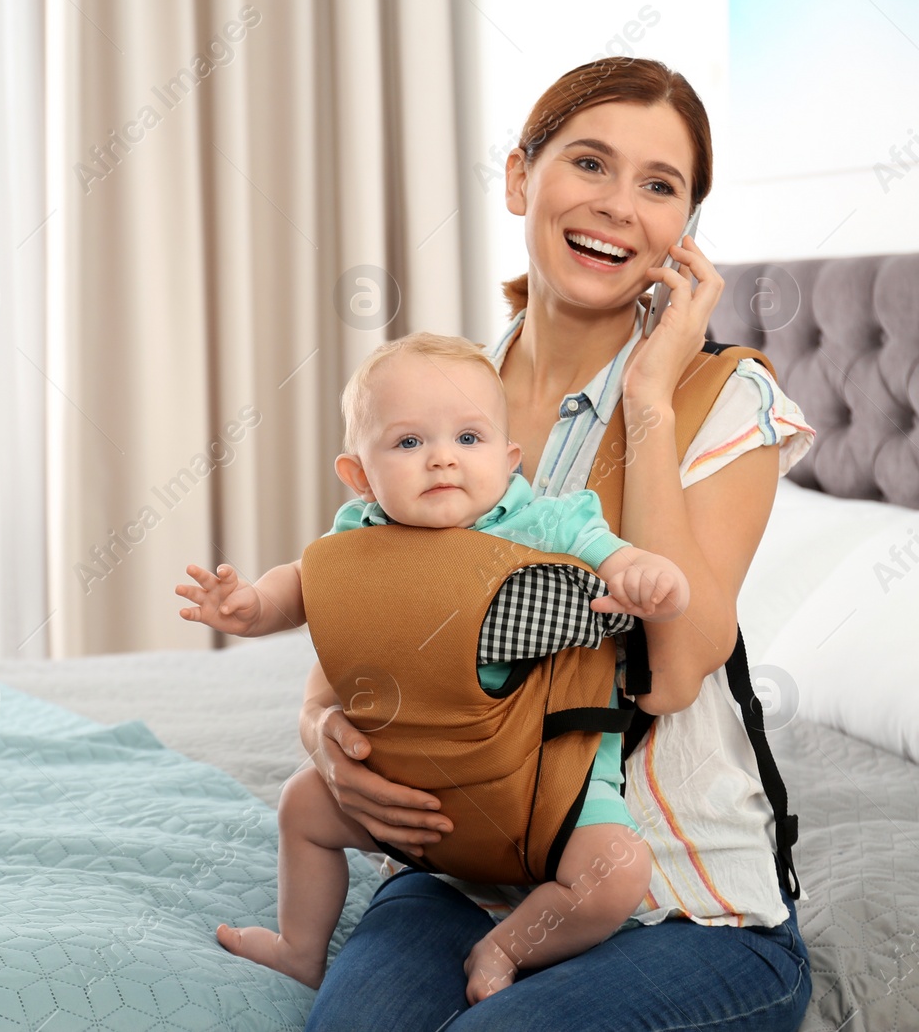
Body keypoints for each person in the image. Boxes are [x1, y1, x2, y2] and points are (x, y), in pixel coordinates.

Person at [292, 57, 817, 1030]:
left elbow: (673, 668)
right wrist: (322, 729)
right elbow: (365, 589)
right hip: (471, 867)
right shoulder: (451, 391)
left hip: (680, 908)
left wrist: (650, 399)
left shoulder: (722, 397)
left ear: (683, 232)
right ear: (518, 179)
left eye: (659, 186)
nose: (620, 206)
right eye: (589, 163)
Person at [174, 331, 692, 1000]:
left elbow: (618, 557)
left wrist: (653, 580)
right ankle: (302, 948)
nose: (442, 458)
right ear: (360, 474)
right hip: (411, 795)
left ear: (509, 460)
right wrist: (249, 606)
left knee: (616, 872)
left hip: (544, 788)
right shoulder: (359, 535)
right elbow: (304, 584)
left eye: (468, 439)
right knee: (302, 804)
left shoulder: (541, 523)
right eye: (409, 442)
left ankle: (505, 946)